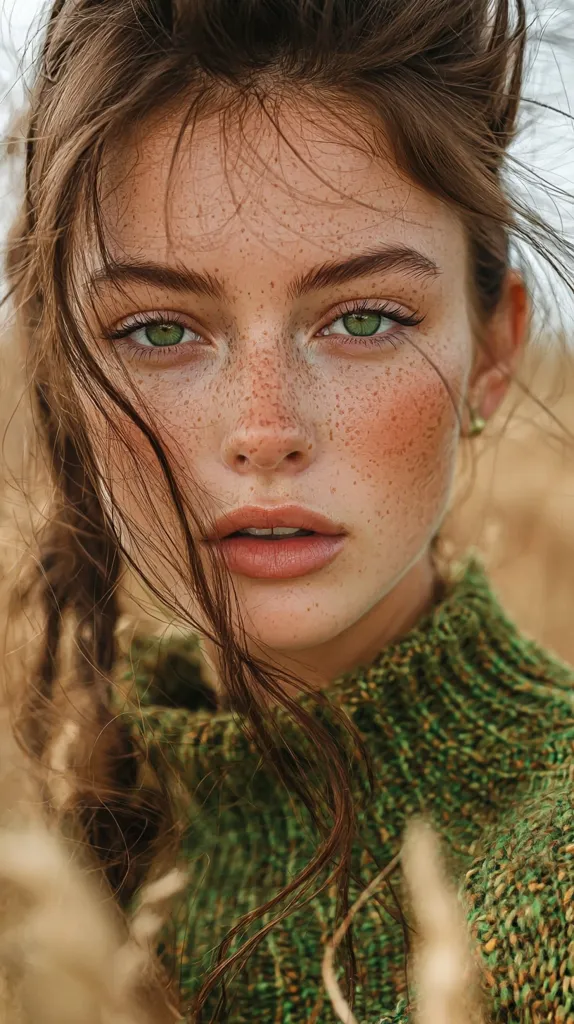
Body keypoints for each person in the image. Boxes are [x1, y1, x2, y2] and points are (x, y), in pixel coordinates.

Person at [2, 0, 574, 1020]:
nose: (265, 430)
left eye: (361, 318)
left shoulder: (555, 880)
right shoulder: (42, 853)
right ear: (61, 369)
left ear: (491, 351)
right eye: (160, 330)